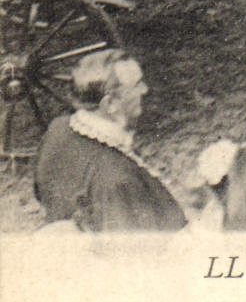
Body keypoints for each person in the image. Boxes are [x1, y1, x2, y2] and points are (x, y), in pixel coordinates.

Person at [34, 50, 188, 233]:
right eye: (137, 85)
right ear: (110, 104)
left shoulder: (58, 129)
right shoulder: (118, 180)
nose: (145, 90)